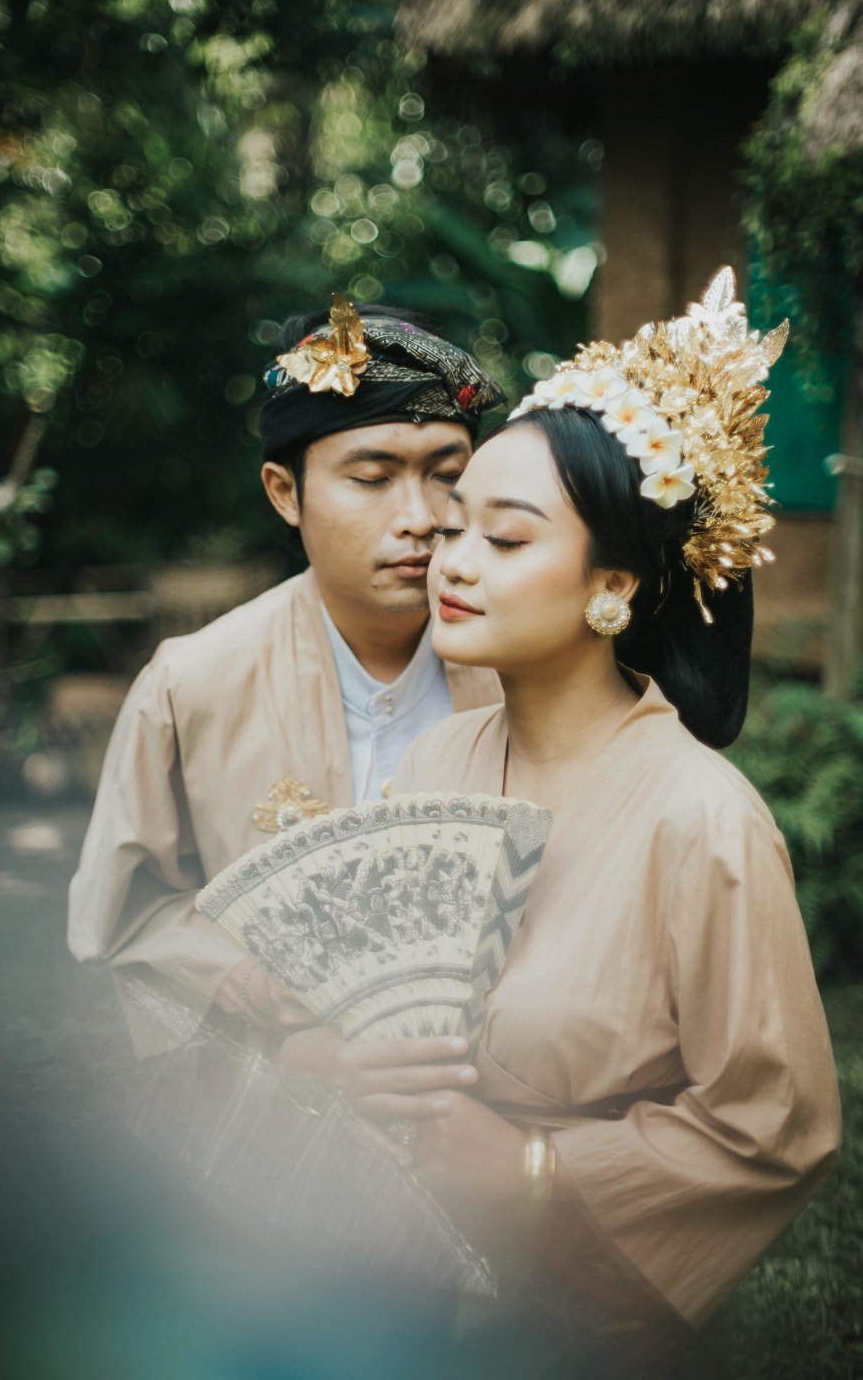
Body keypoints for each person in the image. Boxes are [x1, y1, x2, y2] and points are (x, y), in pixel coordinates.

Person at [274, 271, 841, 1367]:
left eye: (506, 539)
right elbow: (359, 1010)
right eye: (454, 529)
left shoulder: (700, 820)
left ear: (612, 584)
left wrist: (538, 1171)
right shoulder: (439, 761)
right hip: (391, 1286)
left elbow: (775, 1125)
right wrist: (336, 1056)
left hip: (581, 1317)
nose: (451, 562)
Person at [68, 296, 504, 1057]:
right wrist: (248, 984)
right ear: (284, 492)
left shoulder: (527, 669)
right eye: (371, 477)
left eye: (447, 476)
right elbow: (127, 907)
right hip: (283, 1095)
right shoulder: (192, 685)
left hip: (495, 1087)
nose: (420, 517)